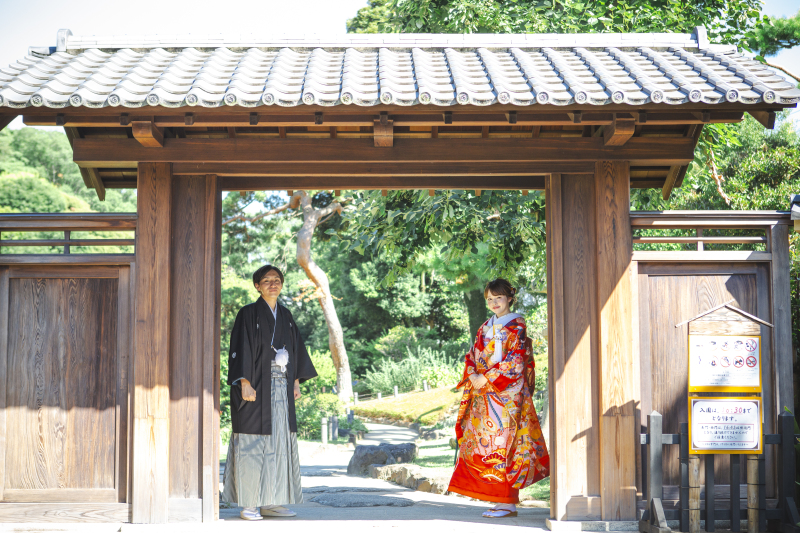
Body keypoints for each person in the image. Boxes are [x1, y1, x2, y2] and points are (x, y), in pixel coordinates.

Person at [448, 278, 550, 518]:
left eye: (499, 298)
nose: (494, 303)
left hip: (507, 398)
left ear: (510, 298)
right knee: (487, 447)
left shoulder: (517, 326)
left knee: (505, 447)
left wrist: (489, 377)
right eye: (490, 299)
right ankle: (498, 498)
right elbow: (472, 354)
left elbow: (516, 362)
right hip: (485, 397)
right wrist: (473, 375)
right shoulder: (484, 326)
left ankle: (508, 502)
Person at [222, 265, 318, 520]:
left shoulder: (285, 315)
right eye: (266, 281)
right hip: (255, 388)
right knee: (253, 445)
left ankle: (272, 501)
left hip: (281, 388)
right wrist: (244, 382)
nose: (273, 284)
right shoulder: (248, 313)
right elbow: (240, 348)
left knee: (279, 442)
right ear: (257, 286)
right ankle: (250, 503)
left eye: (277, 280)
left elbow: (296, 349)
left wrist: (295, 381)